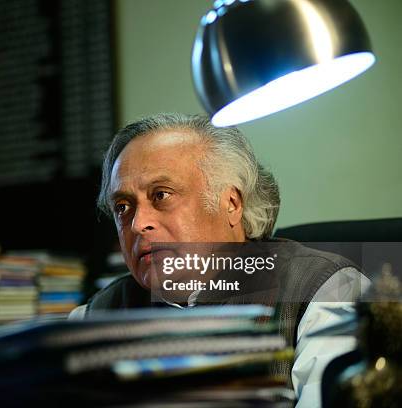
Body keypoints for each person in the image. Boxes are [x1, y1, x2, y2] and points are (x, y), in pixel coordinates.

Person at [69, 113, 371, 407]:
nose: (137, 223)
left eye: (161, 195)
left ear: (231, 203)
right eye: (123, 207)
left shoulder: (327, 293)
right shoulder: (92, 317)